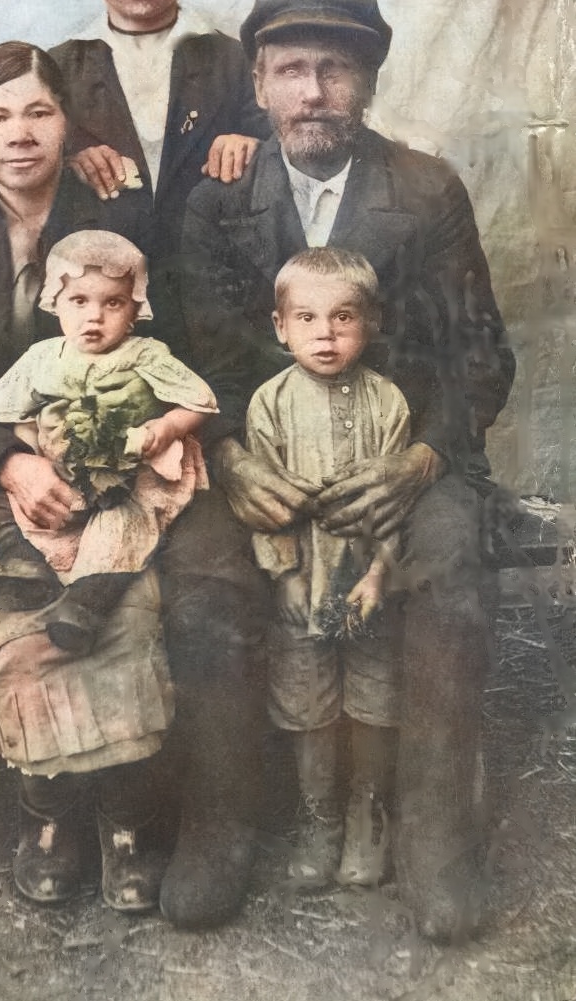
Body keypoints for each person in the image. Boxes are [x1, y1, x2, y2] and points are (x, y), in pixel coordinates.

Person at [0, 41, 268, 927]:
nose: (20, 133)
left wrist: (150, 440)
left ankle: (138, 813)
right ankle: (52, 809)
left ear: (70, 122)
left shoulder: (122, 213)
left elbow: (191, 349)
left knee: (172, 587)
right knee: (21, 600)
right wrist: (11, 463)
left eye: (39, 112)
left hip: (132, 461)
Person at [181, 0, 516, 941]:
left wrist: (422, 460)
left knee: (447, 557)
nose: (314, 91)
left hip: (399, 457)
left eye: (336, 69)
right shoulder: (218, 199)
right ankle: (221, 821)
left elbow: (478, 352)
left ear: (368, 84)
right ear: (258, 83)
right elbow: (197, 358)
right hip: (263, 462)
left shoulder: (425, 188)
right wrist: (229, 457)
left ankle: (430, 831)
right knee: (200, 563)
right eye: (291, 69)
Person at [238, 247, 409, 890]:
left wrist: (378, 575)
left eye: (343, 317)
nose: (326, 334)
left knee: (372, 698)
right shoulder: (270, 404)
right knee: (308, 703)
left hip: (364, 583)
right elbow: (266, 507)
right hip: (304, 582)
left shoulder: (387, 402)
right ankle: (321, 818)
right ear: (280, 327)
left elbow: (394, 507)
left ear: (371, 322)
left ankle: (368, 811)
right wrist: (284, 574)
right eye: (307, 318)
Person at [0, 228, 217, 656]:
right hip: (61, 468)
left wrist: (167, 427)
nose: (95, 317)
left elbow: (199, 401)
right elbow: (11, 411)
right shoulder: (44, 357)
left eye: (113, 303)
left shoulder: (144, 354)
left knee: (123, 523)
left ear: (135, 308)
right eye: (79, 301)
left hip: (127, 469)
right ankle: (23, 567)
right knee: (1, 495)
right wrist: (32, 448)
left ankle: (87, 602)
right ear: (55, 301)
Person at [49, 0, 271, 343]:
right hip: (99, 310)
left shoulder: (236, 61)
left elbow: (296, 157)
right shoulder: (57, 69)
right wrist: (66, 163)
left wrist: (256, 146)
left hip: (216, 302)